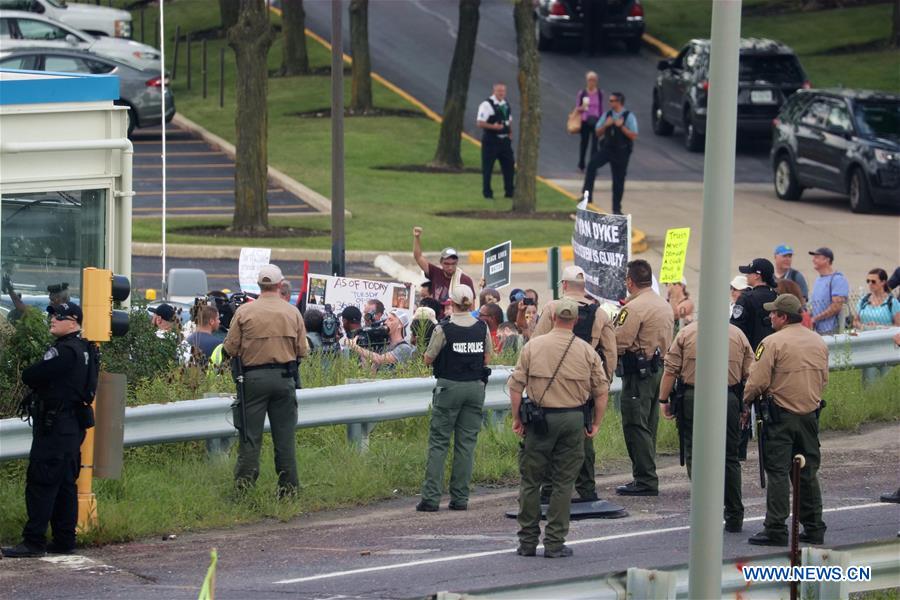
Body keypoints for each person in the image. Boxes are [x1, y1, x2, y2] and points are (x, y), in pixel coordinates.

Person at [508, 298, 609, 558]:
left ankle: (527, 542)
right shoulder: (586, 351)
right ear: (575, 321)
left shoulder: (533, 346)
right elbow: (601, 391)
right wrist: (596, 423)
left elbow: (516, 387)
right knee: (564, 483)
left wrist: (517, 418)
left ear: (553, 318)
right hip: (573, 419)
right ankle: (554, 543)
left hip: (540, 420)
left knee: (531, 481)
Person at [1, 302, 98, 558]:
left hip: (55, 427)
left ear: (73, 322)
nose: (53, 319)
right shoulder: (86, 349)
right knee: (65, 484)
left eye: (59, 317)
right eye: (52, 315)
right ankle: (65, 540)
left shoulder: (64, 351)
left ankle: (33, 541)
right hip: (72, 427)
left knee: (41, 482)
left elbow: (32, 375)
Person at [743, 294, 829, 547]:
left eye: (773, 313)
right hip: (809, 414)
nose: (770, 316)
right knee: (807, 471)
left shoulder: (771, 342)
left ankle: (776, 528)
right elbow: (824, 379)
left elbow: (757, 381)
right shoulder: (818, 341)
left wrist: (746, 401)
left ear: (783, 316)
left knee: (778, 471)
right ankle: (814, 526)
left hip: (780, 416)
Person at [532, 265, 617, 503]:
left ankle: (549, 492)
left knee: (550, 437)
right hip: (584, 383)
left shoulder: (552, 308)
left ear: (564, 285)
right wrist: (604, 382)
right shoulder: (600, 313)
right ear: (584, 286)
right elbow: (610, 353)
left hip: (552, 382)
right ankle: (587, 489)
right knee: (585, 435)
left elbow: (536, 345)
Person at [658, 320, 753, 532]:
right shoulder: (738, 334)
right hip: (728, 397)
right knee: (729, 457)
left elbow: (671, 370)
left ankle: (705, 513)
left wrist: (663, 399)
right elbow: (750, 374)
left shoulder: (686, 333)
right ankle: (734, 515)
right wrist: (746, 404)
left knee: (696, 453)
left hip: (694, 396)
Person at [223, 264, 309, 495]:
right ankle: (288, 489)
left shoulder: (244, 312)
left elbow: (230, 348)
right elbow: (302, 350)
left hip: (252, 379)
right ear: (280, 285)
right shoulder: (292, 312)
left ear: (259, 285)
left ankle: (244, 489)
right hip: (284, 377)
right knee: (285, 438)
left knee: (250, 437)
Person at [417, 286, 493, 512]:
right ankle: (460, 498)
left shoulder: (444, 328)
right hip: (475, 387)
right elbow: (487, 358)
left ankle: (431, 499)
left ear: (452, 302)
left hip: (449, 386)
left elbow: (428, 359)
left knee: (439, 442)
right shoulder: (482, 327)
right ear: (470, 303)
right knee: (466, 444)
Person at [614, 259, 674, 496]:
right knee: (649, 424)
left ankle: (645, 479)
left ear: (630, 282)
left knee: (635, 425)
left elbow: (619, 341)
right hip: (658, 369)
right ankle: (646, 474)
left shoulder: (634, 308)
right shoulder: (663, 305)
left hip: (638, 374)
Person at [581, 91, 638, 215]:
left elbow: (634, 135)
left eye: (612, 101)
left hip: (621, 152)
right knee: (592, 165)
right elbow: (597, 132)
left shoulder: (629, 116)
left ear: (619, 102)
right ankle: (587, 196)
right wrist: (606, 125)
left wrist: (621, 127)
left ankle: (616, 209)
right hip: (607, 149)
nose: (610, 103)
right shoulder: (607, 115)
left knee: (618, 179)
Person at [412, 227, 476, 302]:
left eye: (453, 264)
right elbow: (418, 257)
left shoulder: (465, 280)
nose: (450, 267)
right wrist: (417, 237)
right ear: (441, 263)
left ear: (457, 262)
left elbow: (471, 305)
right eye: (447, 264)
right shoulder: (435, 272)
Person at [476, 82, 515, 199]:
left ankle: (509, 191)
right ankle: (487, 193)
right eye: (499, 91)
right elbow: (480, 123)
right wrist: (494, 127)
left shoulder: (505, 104)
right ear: (494, 91)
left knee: (509, 166)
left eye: (503, 91)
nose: (501, 93)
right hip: (491, 141)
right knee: (488, 168)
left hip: (505, 141)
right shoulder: (486, 105)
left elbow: (509, 120)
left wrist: (510, 132)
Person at [731, 258, 778, 351]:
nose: (746, 275)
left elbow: (735, 328)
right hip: (773, 350)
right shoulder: (777, 297)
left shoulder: (745, 298)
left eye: (749, 272)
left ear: (757, 276)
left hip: (751, 352)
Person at [349, 309, 415, 370]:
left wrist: (355, 347)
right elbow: (372, 372)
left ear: (400, 325)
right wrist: (362, 349)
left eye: (390, 319)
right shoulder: (385, 346)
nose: (386, 322)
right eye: (386, 319)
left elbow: (379, 359)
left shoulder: (404, 348)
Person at [809, 247, 849, 335]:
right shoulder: (818, 280)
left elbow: (836, 307)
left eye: (817, 257)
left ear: (826, 260)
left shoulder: (838, 279)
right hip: (817, 329)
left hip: (831, 329)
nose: (813, 260)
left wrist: (815, 318)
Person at [575, 71, 603, 171]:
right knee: (584, 143)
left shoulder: (599, 93)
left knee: (595, 145)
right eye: (590, 80)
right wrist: (582, 107)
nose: (592, 82)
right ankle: (581, 165)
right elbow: (577, 108)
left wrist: (602, 121)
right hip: (585, 121)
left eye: (594, 80)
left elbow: (601, 108)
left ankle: (592, 166)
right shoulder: (582, 93)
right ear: (586, 81)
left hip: (596, 121)